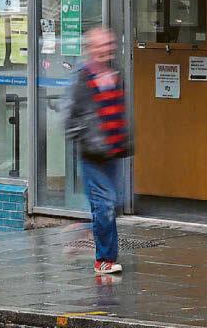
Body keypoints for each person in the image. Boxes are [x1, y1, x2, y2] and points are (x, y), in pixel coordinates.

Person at [65, 28, 131, 275]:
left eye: (109, 45)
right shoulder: (83, 79)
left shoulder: (115, 74)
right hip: (93, 154)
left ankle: (85, 232)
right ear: (91, 49)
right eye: (101, 45)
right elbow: (70, 117)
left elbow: (120, 111)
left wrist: (124, 139)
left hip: (113, 151)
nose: (107, 49)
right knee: (104, 205)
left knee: (113, 204)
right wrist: (87, 140)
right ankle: (104, 260)